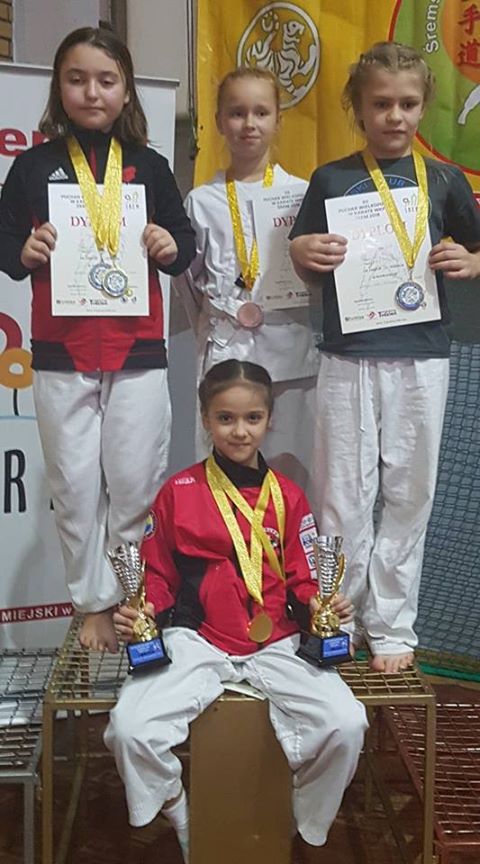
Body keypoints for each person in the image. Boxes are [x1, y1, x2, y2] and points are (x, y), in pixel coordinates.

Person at [104, 359, 367, 863]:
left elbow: (304, 576)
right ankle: (181, 814)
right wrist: (142, 608)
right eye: (225, 418)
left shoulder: (288, 496)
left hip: (276, 640)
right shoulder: (178, 492)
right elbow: (157, 574)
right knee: (130, 728)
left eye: (252, 418)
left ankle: (298, 820)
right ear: (206, 419)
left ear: (269, 419)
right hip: (198, 638)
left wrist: (321, 601)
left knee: (346, 723)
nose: (239, 431)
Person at [0, 27, 196, 652]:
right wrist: (24, 250)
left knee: (136, 483)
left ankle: (130, 597)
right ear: (58, 88)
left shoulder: (150, 166)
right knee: (74, 486)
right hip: (62, 352)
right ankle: (92, 603)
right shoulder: (32, 166)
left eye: (106, 80)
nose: (92, 92)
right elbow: (5, 242)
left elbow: (184, 244)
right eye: (77, 79)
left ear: (126, 89)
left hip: (137, 350)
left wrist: (167, 244)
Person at [289, 41, 480, 674]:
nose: (394, 116)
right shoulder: (331, 179)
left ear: (424, 107)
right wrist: (303, 252)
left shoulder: (445, 181)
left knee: (410, 493)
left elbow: (476, 248)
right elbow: (303, 256)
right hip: (348, 355)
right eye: (381, 104)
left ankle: (393, 624)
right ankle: (336, 615)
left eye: (407, 103)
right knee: (341, 493)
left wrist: (471, 259)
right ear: (358, 107)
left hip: (423, 357)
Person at [173, 67, 319, 492]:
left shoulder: (301, 194)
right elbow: (189, 287)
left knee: (294, 472)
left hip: (291, 355)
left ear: (278, 120)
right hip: (227, 351)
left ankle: (287, 538)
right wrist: (221, 322)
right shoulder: (201, 201)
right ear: (219, 121)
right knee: (225, 474)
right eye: (237, 113)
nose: (249, 124)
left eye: (261, 112)